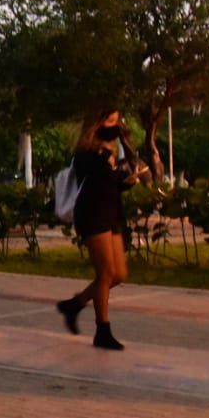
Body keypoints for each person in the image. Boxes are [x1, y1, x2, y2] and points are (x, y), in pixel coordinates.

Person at [55, 109, 143, 350]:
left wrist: (125, 179)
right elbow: (89, 177)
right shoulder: (86, 152)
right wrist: (104, 157)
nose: (115, 126)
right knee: (105, 273)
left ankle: (75, 304)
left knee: (119, 274)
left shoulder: (111, 151)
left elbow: (109, 183)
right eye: (110, 121)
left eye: (117, 120)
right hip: (92, 213)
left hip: (111, 212)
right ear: (96, 123)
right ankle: (102, 331)